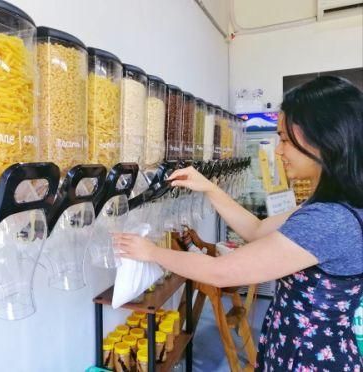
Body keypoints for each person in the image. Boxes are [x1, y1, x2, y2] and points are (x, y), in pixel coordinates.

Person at [114, 76, 363, 371]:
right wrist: (208, 187)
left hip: (309, 361)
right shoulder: (331, 206)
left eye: (284, 138)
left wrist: (151, 252)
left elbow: (222, 273)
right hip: (295, 349)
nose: (278, 150)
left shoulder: (330, 221)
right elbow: (256, 230)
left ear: (325, 137)